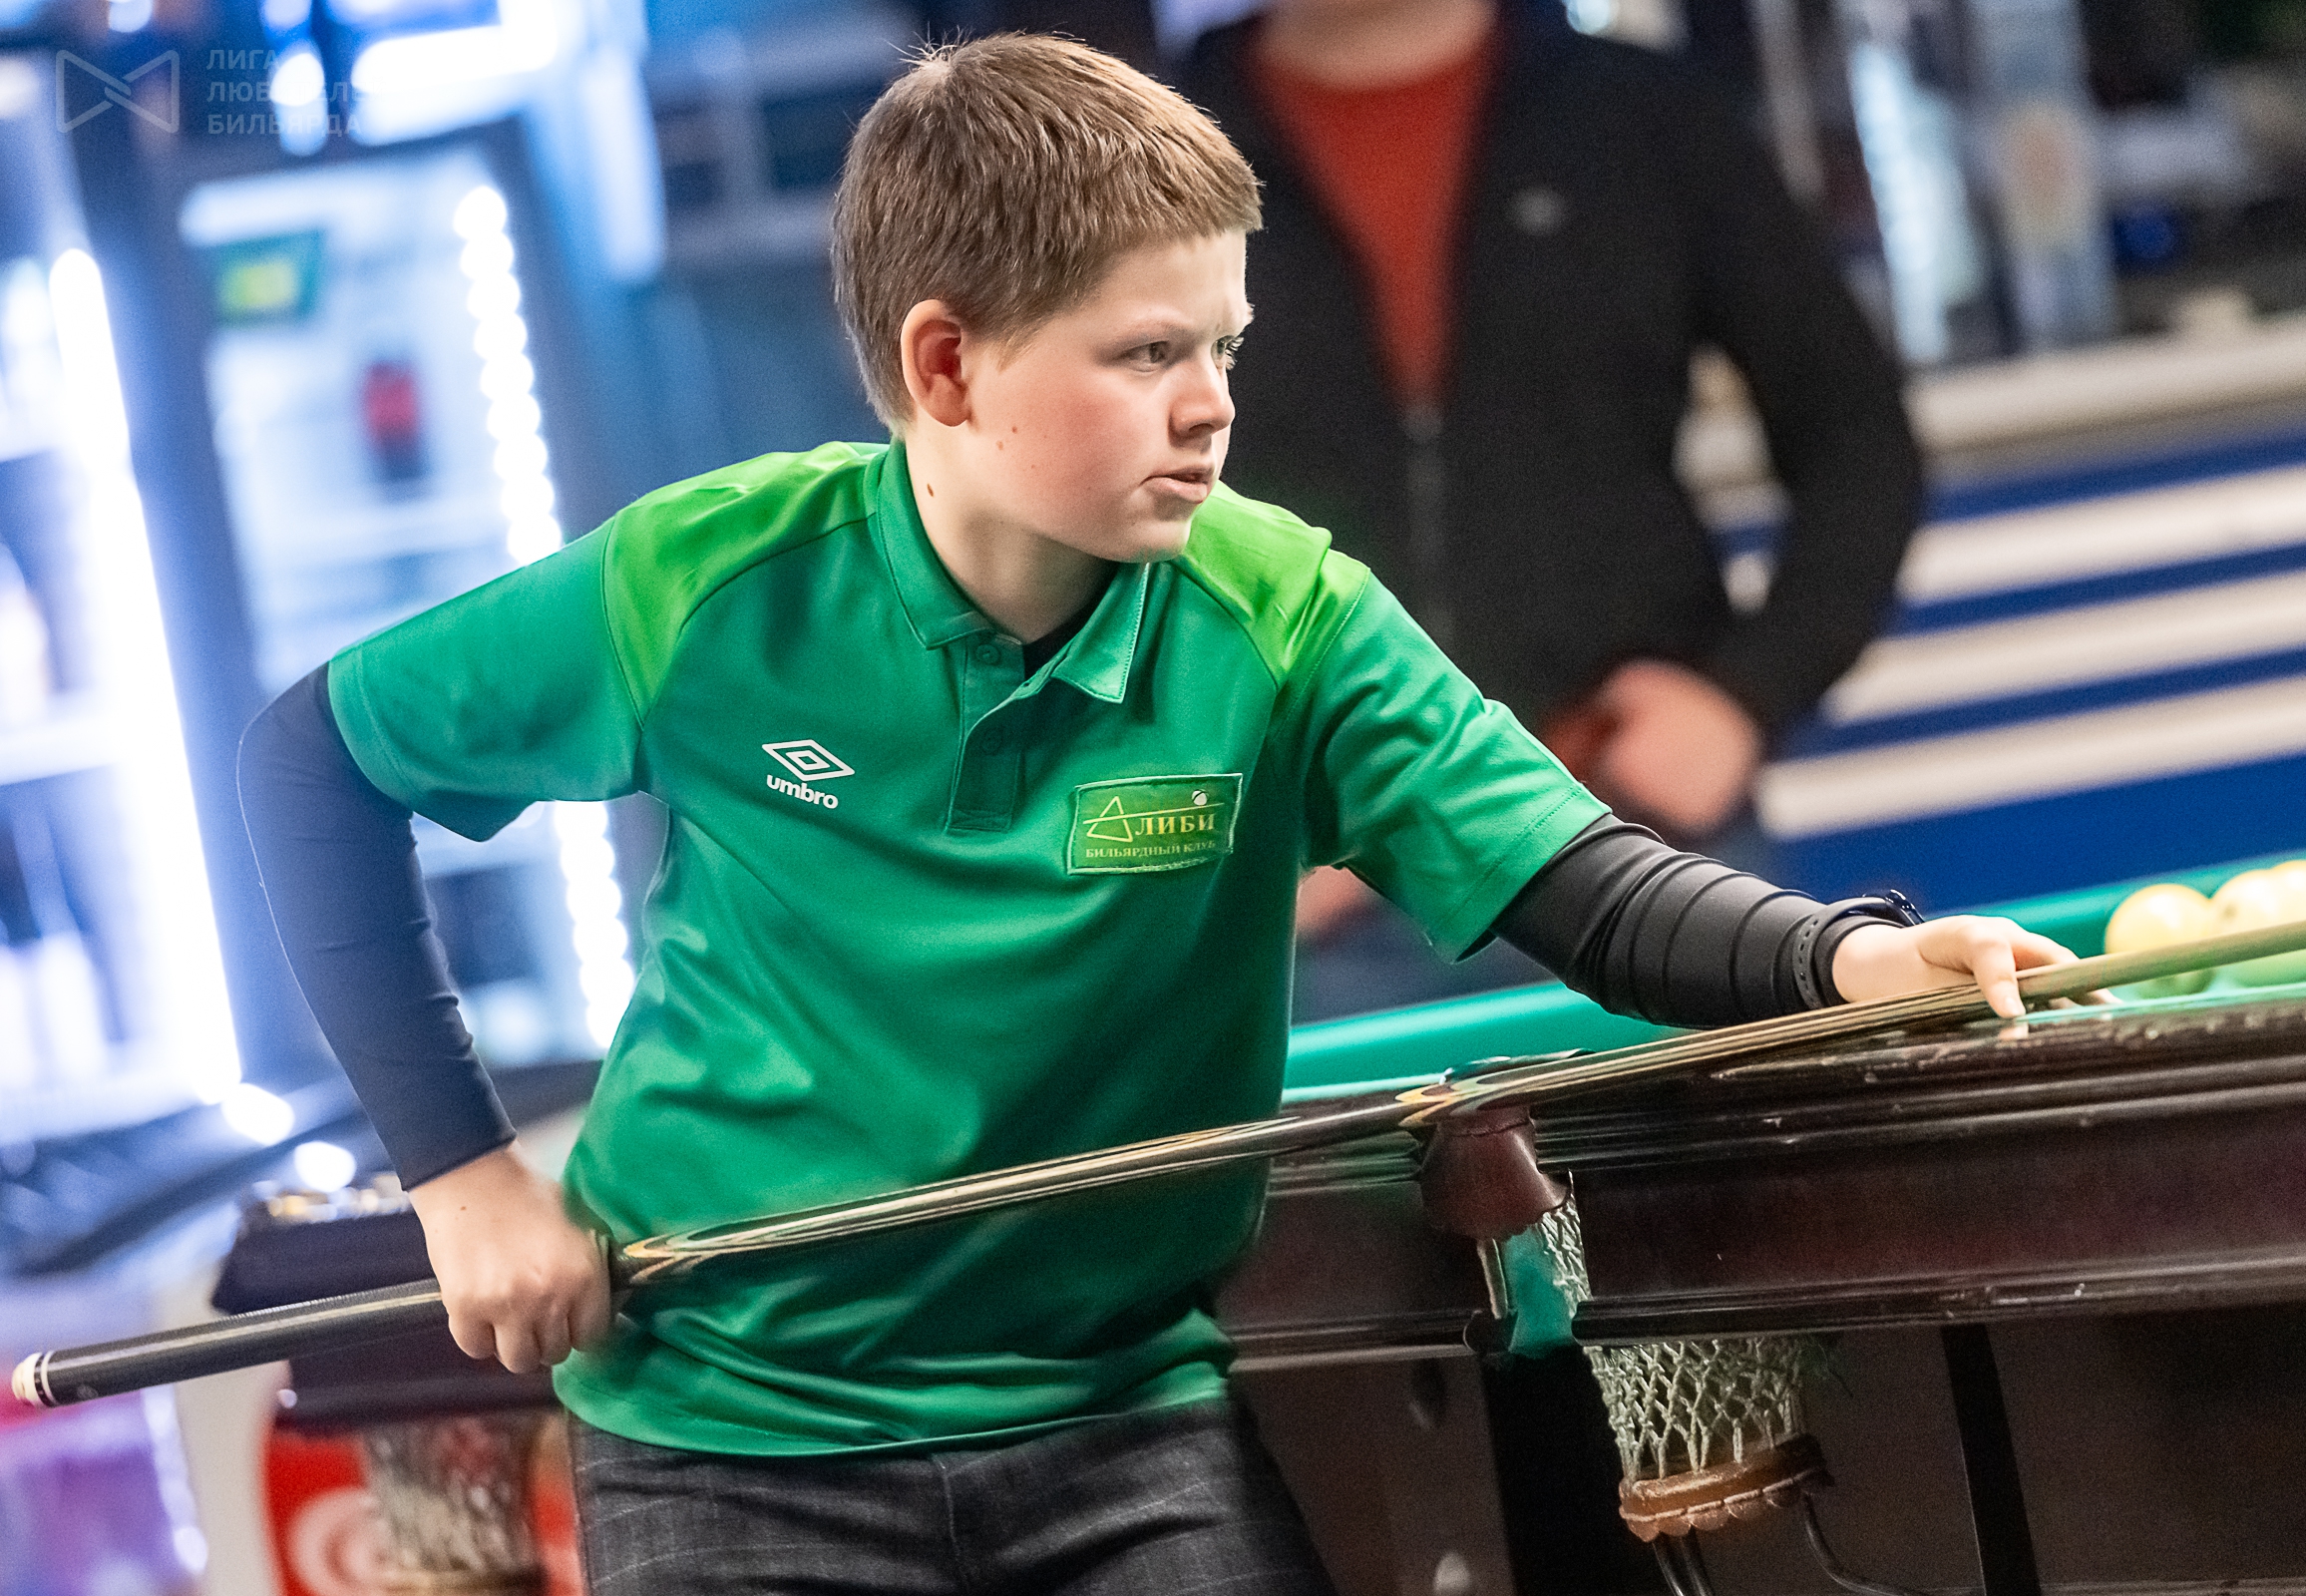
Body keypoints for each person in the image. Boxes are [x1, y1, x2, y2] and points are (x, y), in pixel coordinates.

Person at [236, 35, 2062, 1595]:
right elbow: (313, 760)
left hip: (1118, 1422)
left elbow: (1582, 883)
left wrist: (1849, 960)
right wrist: (465, 1178)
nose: (1209, 412)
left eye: (1225, 349)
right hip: (728, 1433)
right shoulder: (703, 585)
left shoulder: (1283, 614)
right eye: (1142, 356)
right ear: (946, 368)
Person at [1176, 0, 1925, 1013]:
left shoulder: (1643, 118)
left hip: (1642, 843)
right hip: (1307, 899)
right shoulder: (1137, 159)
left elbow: (1859, 442)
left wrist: (1744, 696)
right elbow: (1050, 517)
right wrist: (1213, 798)